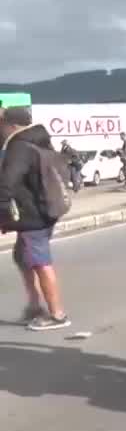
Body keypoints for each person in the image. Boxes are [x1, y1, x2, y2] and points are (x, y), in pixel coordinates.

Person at [0, 106, 71, 330]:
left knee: (39, 262)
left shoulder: (18, 146)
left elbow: (7, 183)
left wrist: (2, 213)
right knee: (21, 256)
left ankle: (57, 314)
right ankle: (34, 306)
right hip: (45, 211)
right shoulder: (39, 140)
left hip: (33, 217)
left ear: (10, 125)